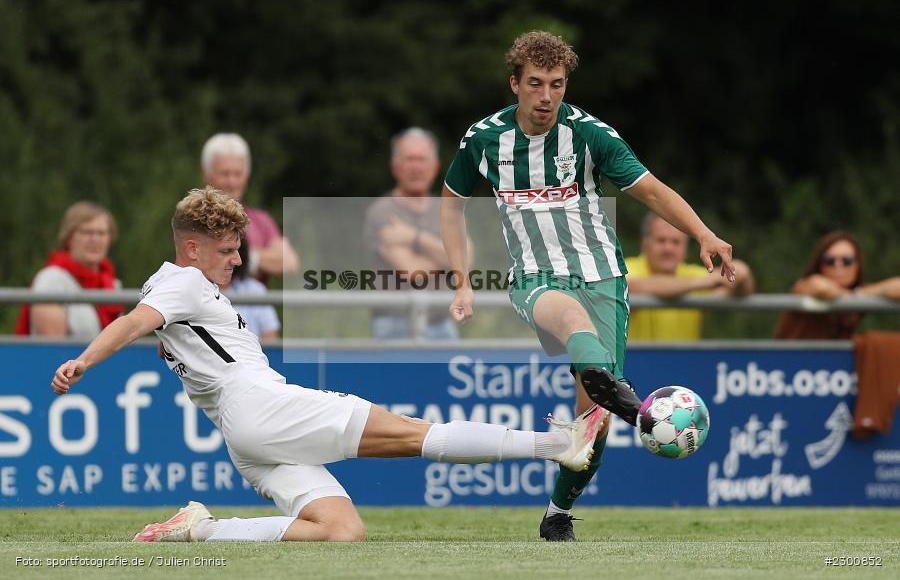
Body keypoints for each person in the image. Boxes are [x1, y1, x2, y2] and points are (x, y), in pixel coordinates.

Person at [51, 187, 609, 543]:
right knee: (414, 434)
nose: (238, 259)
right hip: (259, 406)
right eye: (226, 250)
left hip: (243, 435)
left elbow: (155, 327)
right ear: (192, 248)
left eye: (238, 248)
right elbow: (134, 323)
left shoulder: (172, 284)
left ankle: (201, 529)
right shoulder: (183, 282)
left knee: (341, 530)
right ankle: (556, 445)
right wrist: (84, 360)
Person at [441, 31, 736, 541]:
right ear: (514, 84)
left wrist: (704, 234)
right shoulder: (484, 139)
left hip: (603, 278)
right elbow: (451, 205)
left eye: (556, 84)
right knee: (573, 323)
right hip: (536, 276)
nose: (546, 96)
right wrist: (461, 281)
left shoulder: (589, 134)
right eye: (535, 83)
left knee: (591, 425)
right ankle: (625, 398)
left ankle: (558, 513)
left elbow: (651, 191)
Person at [364, 128, 468, 340]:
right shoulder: (382, 211)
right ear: (395, 167)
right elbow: (413, 272)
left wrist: (413, 237)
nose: (416, 167)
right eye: (409, 159)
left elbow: (468, 258)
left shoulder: (447, 209)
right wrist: (448, 258)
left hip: (443, 324)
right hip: (393, 326)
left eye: (422, 159)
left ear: (435, 166)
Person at [626, 213, 755, 340]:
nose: (668, 248)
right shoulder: (625, 268)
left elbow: (741, 283)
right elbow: (633, 286)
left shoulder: (692, 275)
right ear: (644, 244)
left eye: (676, 242)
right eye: (661, 240)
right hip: (635, 355)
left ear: (685, 248)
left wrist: (740, 272)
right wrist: (706, 281)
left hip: (683, 355)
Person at [201, 133, 300, 285]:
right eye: (225, 174)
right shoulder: (193, 217)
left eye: (237, 174)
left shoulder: (261, 221)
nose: (232, 182)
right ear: (206, 175)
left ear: (246, 176)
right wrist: (261, 260)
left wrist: (248, 259)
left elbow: (289, 262)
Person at [16, 202, 123, 338]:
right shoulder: (51, 280)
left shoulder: (112, 284)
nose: (95, 239)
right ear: (68, 237)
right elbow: (53, 346)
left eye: (101, 233)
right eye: (87, 232)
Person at [775, 230, 900, 339]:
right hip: (792, 358)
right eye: (830, 261)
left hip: (834, 358)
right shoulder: (804, 285)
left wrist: (860, 294)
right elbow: (820, 288)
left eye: (847, 261)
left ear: (857, 265)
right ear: (819, 264)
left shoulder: (858, 293)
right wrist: (853, 297)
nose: (838, 266)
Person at [222, 240, 281, 341]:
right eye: (225, 251)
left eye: (236, 251)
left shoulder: (255, 290)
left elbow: (271, 340)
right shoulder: (197, 289)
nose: (236, 260)